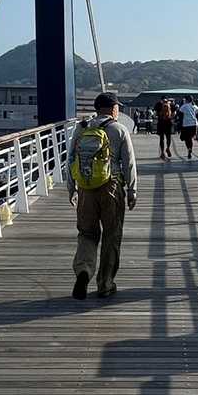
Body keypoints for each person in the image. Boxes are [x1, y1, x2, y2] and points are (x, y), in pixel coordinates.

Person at [66, 91, 138, 300]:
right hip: (111, 187)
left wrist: (72, 189)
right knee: (111, 235)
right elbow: (129, 163)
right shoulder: (119, 129)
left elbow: (71, 160)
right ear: (113, 108)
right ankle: (105, 284)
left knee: (87, 233)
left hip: (86, 188)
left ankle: (84, 271)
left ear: (96, 109)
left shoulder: (82, 128)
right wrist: (132, 191)